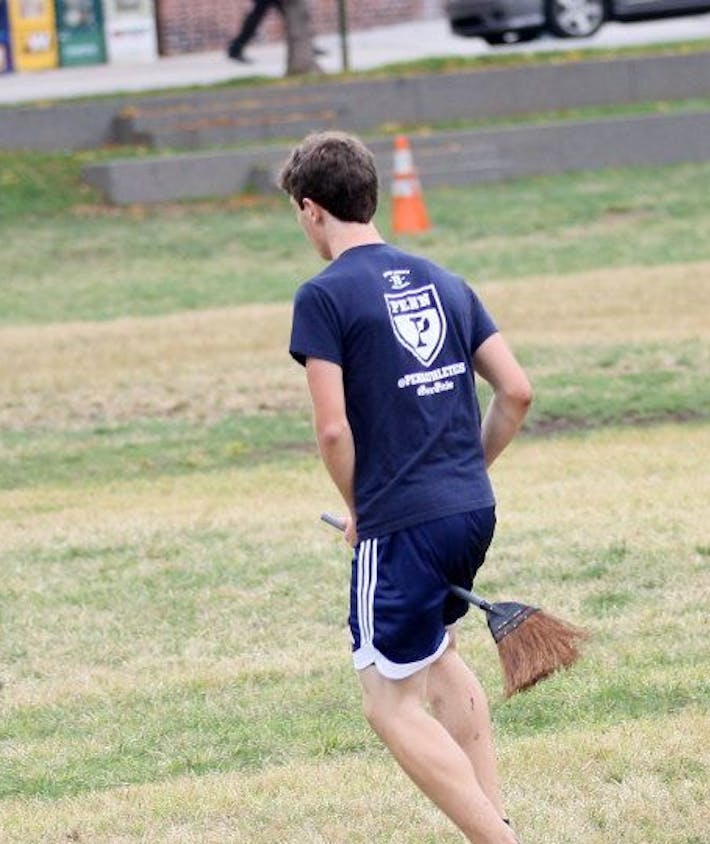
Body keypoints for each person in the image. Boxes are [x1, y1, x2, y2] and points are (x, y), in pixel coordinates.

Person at [280, 132, 532, 844]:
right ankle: (498, 816)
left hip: (401, 524)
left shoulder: (323, 297)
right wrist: (466, 473)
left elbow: (333, 431)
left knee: (389, 705)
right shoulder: (445, 281)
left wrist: (364, 509)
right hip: (471, 510)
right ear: (370, 196)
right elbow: (515, 391)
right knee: (439, 658)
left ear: (310, 210)